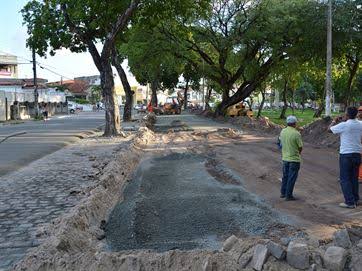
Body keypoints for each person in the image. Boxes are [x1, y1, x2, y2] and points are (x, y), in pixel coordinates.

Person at [329, 107, 362, 208]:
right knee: (354, 178)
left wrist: (334, 121)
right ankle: (356, 199)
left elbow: (329, 130)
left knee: (345, 178)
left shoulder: (344, 125)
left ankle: (349, 202)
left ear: (347, 115)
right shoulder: (360, 124)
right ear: (356, 114)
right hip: (357, 153)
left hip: (346, 154)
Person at [279, 115, 303, 201]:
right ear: (295, 123)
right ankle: (288, 195)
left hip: (285, 158)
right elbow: (300, 147)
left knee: (285, 176)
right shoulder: (296, 133)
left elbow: (280, 143)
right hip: (294, 159)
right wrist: (298, 153)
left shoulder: (283, 131)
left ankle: (283, 192)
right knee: (291, 178)